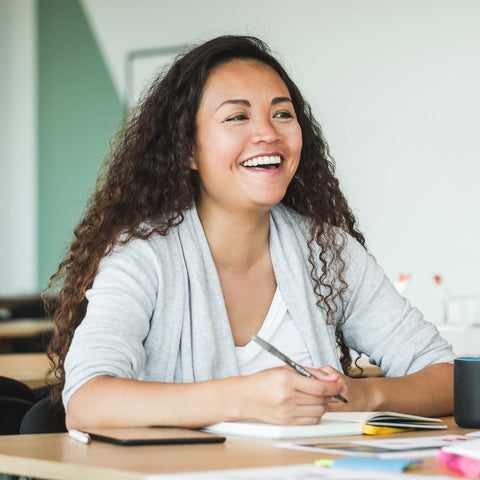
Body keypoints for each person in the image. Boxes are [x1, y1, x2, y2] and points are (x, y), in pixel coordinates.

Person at [44, 35, 455, 431]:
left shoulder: (327, 250)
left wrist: (358, 397)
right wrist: (244, 398)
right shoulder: (143, 255)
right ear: (187, 149)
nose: (268, 133)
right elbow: (85, 401)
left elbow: (447, 376)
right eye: (237, 116)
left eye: (282, 114)